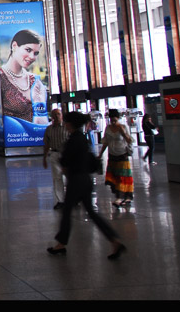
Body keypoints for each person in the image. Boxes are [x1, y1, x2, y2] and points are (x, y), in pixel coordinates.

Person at [47, 111, 126, 260]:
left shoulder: (73, 140)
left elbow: (65, 160)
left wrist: (64, 164)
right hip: (85, 179)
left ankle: (61, 244)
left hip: (76, 180)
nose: (65, 124)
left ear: (70, 123)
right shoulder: (82, 138)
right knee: (91, 212)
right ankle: (114, 240)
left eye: (66, 121)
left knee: (67, 211)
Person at [0, 29, 48, 124]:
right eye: (28, 50)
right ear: (14, 46)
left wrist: (39, 101)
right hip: (11, 132)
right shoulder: (0, 78)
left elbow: (42, 122)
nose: (32, 57)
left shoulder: (34, 80)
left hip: (35, 132)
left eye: (36, 53)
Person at [99, 109, 134, 207]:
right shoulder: (108, 128)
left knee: (123, 177)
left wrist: (123, 133)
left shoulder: (123, 127)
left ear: (118, 118)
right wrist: (100, 154)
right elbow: (106, 142)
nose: (113, 122)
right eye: (111, 120)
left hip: (122, 155)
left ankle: (122, 197)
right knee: (114, 177)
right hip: (112, 155)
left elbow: (129, 140)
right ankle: (121, 196)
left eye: (115, 120)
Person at [42, 108, 67, 209]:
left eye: (58, 114)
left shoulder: (66, 127)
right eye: (54, 115)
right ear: (51, 117)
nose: (57, 116)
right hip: (55, 154)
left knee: (70, 178)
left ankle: (73, 199)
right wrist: (44, 158)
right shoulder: (49, 129)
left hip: (66, 155)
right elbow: (46, 144)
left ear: (61, 115)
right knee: (57, 178)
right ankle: (60, 200)